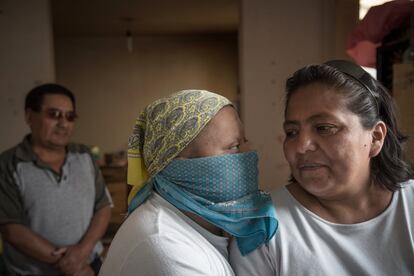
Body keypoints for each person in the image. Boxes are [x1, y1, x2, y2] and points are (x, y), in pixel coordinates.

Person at [230, 60, 414, 275]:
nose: (301, 146)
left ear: (375, 137)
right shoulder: (260, 227)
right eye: (292, 132)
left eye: (324, 128)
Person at [100, 89, 278, 275]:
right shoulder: (166, 247)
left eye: (246, 141)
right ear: (177, 166)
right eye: (233, 147)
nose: (249, 153)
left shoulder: (213, 222)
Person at [0, 84, 112, 275]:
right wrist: (70, 264)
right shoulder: (8, 164)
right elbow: (11, 228)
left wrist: (82, 253)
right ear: (29, 116)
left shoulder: (84, 156)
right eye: (54, 114)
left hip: (89, 265)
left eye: (70, 116)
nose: (63, 123)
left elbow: (103, 206)